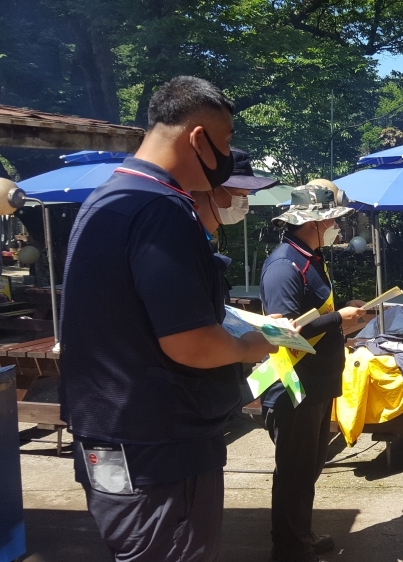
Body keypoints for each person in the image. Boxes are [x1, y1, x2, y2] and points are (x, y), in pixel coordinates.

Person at [58, 75, 279, 562]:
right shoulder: (162, 209)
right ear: (198, 139)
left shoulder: (111, 198)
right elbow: (192, 343)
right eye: (224, 143)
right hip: (160, 444)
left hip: (113, 431)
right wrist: (253, 345)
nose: (226, 157)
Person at [259, 180, 367, 562]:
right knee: (294, 471)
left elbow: (314, 319)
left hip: (318, 384)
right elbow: (281, 331)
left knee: (309, 467)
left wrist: (344, 318)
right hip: (296, 386)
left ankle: (298, 532)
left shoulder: (310, 259)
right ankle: (288, 544)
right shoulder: (284, 265)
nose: (338, 226)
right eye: (334, 219)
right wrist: (340, 317)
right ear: (315, 222)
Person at [191, 147, 279, 301]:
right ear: (211, 189)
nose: (244, 204)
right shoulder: (184, 246)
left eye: (247, 196)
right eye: (239, 195)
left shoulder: (203, 242)